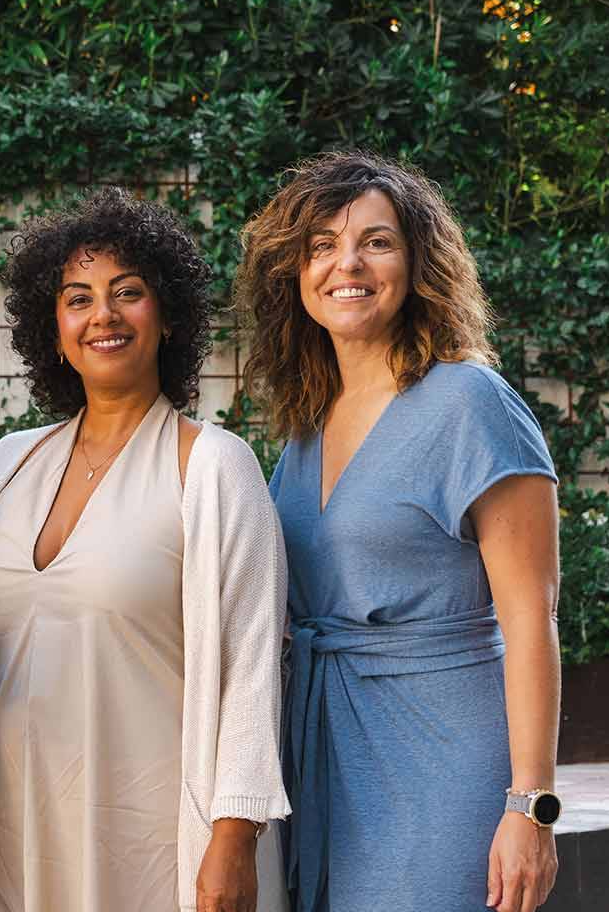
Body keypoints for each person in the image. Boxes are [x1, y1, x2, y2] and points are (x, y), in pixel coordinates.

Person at [0, 188, 289, 912]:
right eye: (78, 298)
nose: (103, 314)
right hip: (6, 824)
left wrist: (234, 840)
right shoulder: (8, 465)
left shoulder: (214, 468)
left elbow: (253, 673)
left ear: (167, 317)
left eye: (127, 292)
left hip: (154, 839)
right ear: (56, 329)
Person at [235, 151, 561, 912]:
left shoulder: (470, 402)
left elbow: (531, 616)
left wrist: (530, 806)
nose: (346, 263)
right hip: (324, 754)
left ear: (417, 263)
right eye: (322, 246)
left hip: (444, 754)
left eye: (376, 241)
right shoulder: (305, 428)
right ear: (295, 273)